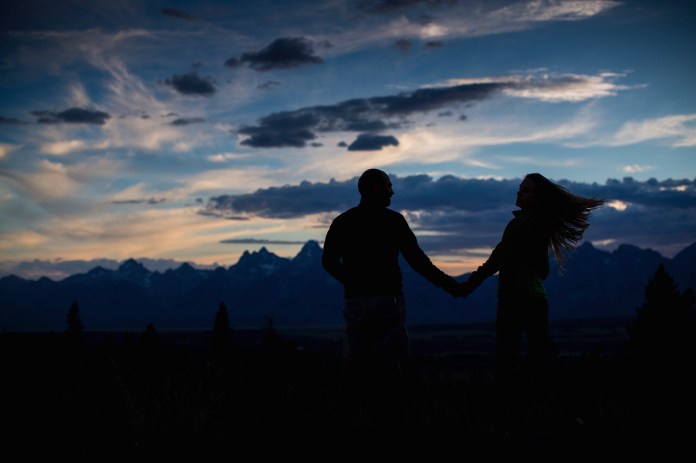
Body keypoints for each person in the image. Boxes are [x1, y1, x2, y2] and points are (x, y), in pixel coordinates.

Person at [322, 168, 464, 419]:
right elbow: (418, 261)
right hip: (388, 300)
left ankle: (346, 413)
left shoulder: (343, 222)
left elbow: (329, 262)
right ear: (375, 187)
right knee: (392, 359)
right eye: (388, 185)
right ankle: (395, 414)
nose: (392, 190)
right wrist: (450, 285)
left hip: (355, 301)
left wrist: (351, 281)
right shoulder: (393, 221)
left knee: (356, 358)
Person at [461, 173, 605, 389]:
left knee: (506, 357)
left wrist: (470, 284)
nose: (519, 192)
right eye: (520, 188)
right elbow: (542, 269)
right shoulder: (541, 225)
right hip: (537, 298)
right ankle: (539, 406)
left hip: (514, 298)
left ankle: (507, 408)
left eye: (525, 190)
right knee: (538, 357)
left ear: (537, 198)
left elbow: (499, 257)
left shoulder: (521, 223)